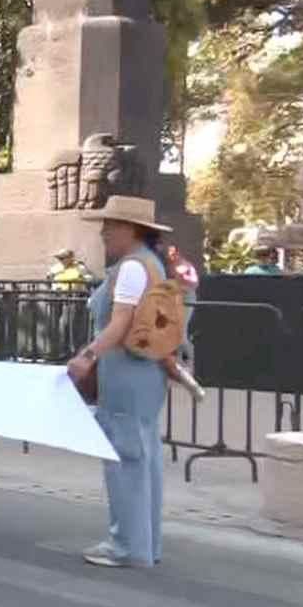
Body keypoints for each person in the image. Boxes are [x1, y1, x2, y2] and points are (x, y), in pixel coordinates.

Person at [67, 198, 173, 568]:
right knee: (143, 458)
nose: (103, 232)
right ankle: (145, 544)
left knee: (124, 458)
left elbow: (120, 322)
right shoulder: (152, 263)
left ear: (131, 229)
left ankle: (127, 545)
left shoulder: (130, 268)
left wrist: (87, 355)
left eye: (110, 225)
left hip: (125, 373)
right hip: (146, 373)